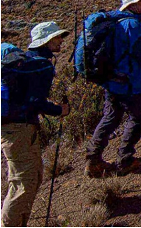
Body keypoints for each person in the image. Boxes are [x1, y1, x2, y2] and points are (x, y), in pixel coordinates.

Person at [1, 23, 70, 227]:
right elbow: (35, 102)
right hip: (20, 130)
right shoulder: (41, 65)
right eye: (57, 37)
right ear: (47, 41)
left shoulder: (26, 62)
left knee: (29, 178)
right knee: (24, 182)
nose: (61, 41)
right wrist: (59, 111)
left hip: (13, 128)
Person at [85, 0, 141, 178]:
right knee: (138, 119)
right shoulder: (131, 24)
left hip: (111, 80)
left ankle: (93, 159)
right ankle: (125, 160)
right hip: (129, 80)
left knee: (111, 117)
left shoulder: (114, 22)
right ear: (132, 5)